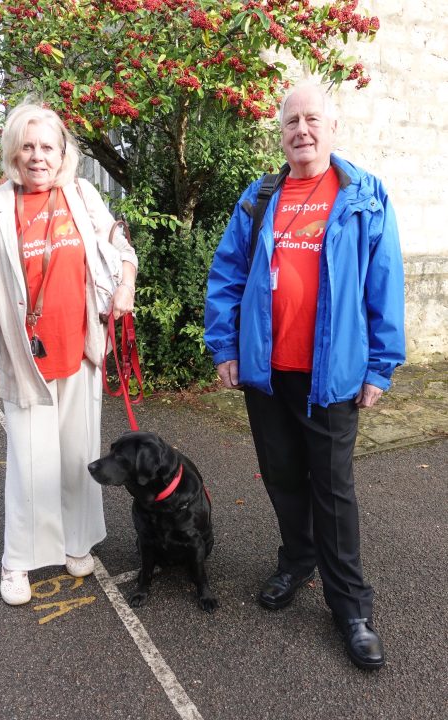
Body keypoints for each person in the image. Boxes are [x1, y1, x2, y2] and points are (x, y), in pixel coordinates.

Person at [204, 83, 405, 669]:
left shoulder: (364, 196)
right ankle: (296, 559)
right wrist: (224, 346)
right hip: (267, 373)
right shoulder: (261, 195)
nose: (302, 130)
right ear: (282, 132)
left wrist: (380, 364)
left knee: (333, 489)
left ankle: (352, 608)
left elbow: (383, 281)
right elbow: (228, 274)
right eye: (291, 121)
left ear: (333, 126)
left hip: (332, 376)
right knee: (282, 475)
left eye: (312, 119)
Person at [0, 101, 138, 606]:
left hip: (80, 352)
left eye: (48, 147)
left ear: (63, 153)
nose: (38, 156)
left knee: (77, 456)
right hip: (24, 360)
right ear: (14, 152)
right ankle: (17, 560)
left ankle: (76, 542)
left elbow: (120, 247)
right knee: (29, 464)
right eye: (29, 146)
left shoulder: (81, 195)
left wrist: (124, 283)